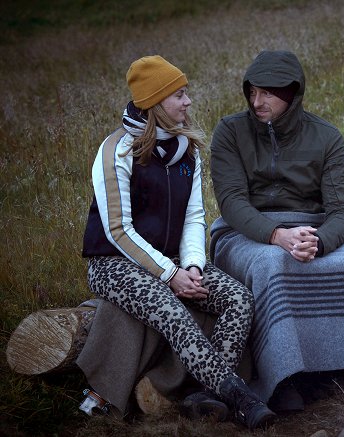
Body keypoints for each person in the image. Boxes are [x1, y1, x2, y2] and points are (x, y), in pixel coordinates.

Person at [80, 55, 276, 430]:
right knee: (171, 312)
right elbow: (118, 230)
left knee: (238, 298)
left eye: (186, 94)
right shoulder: (115, 151)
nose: (188, 102)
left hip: (173, 259)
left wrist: (192, 266)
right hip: (112, 263)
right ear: (155, 102)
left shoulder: (188, 150)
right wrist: (170, 275)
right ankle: (239, 398)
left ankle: (206, 396)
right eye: (179, 96)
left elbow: (193, 217)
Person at [209, 50, 344, 410]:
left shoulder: (326, 137)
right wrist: (277, 235)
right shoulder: (231, 131)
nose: (256, 102)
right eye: (252, 92)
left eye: (267, 93)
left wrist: (320, 241)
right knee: (273, 265)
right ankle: (284, 377)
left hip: (312, 231)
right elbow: (232, 203)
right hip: (244, 232)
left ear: (292, 93)